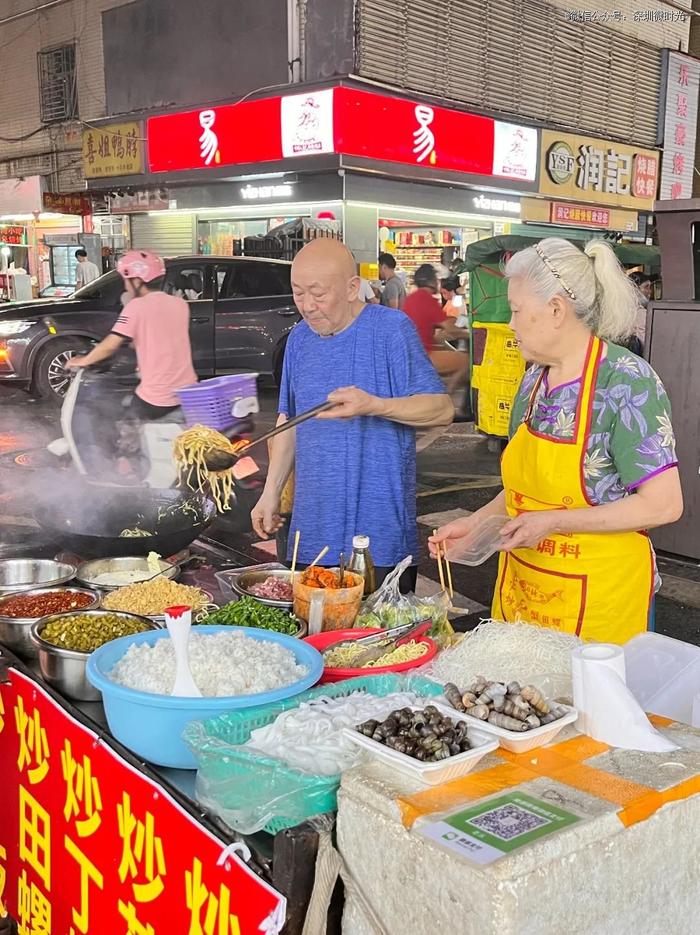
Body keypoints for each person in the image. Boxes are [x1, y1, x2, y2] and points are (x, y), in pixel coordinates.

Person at [430, 238, 683, 645]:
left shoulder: (625, 382)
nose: (510, 324)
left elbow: (664, 504)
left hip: (602, 604)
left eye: (515, 310)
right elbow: (521, 492)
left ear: (555, 310)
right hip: (525, 593)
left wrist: (555, 522)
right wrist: (475, 525)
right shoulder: (534, 378)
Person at [251, 238, 453, 592]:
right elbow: (290, 422)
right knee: (313, 637)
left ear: (351, 288)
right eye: (299, 293)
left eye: (318, 293)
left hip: (380, 535)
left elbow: (440, 409)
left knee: (381, 639)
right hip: (311, 533)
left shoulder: (390, 330)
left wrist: (374, 405)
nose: (308, 306)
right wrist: (270, 493)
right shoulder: (298, 340)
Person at [67, 250, 197, 420]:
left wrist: (83, 360)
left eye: (126, 281)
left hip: (157, 398)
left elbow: (110, 345)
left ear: (137, 281)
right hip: (188, 392)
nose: (126, 286)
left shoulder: (137, 306)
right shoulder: (180, 304)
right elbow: (163, 336)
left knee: (122, 429)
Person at [404, 264, 469, 395]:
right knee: (466, 361)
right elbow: (451, 329)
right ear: (432, 281)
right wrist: (468, 335)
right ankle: (448, 396)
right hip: (423, 356)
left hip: (409, 354)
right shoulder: (427, 300)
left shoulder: (410, 299)